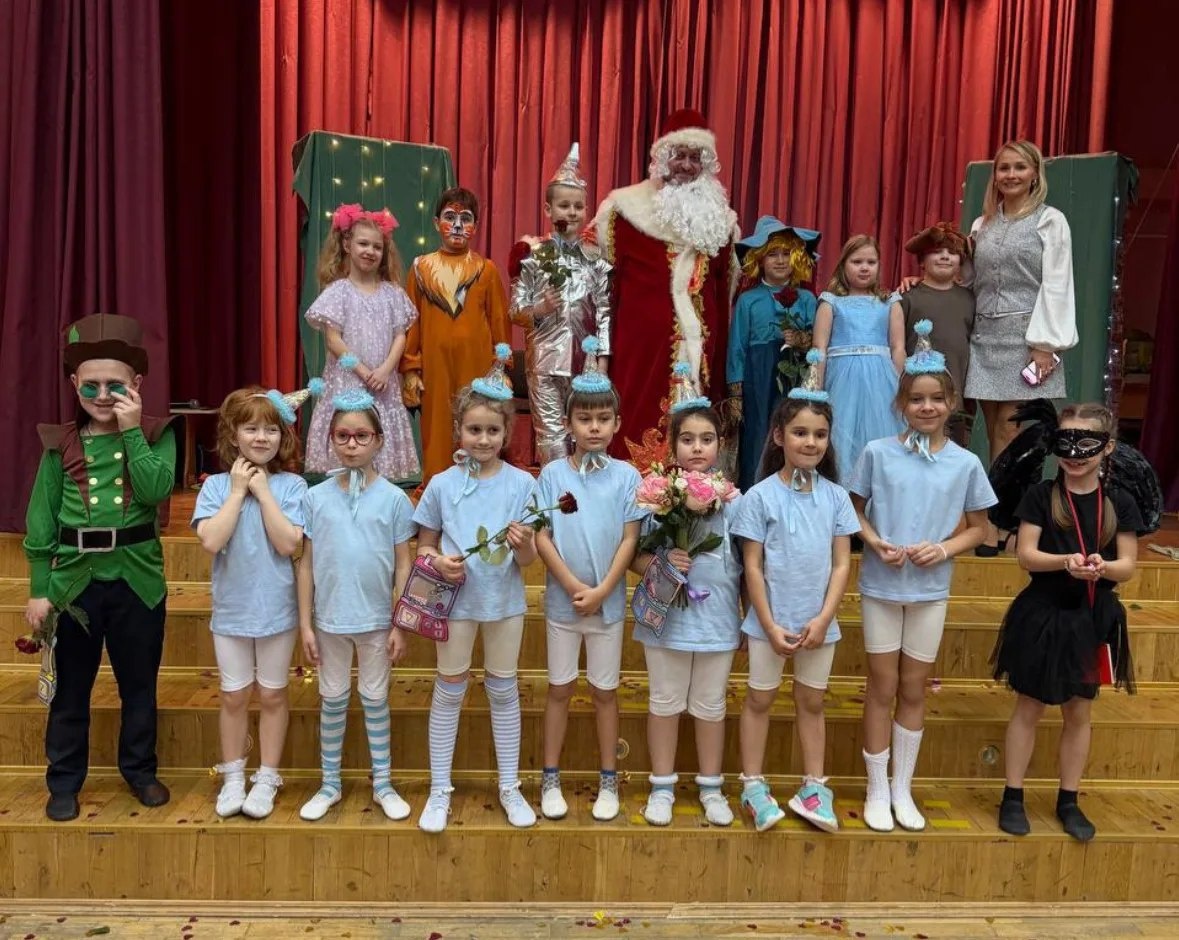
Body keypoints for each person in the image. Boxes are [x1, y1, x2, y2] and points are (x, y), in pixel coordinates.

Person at [24, 314, 176, 821]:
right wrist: (40, 589)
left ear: (137, 385)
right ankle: (64, 780)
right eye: (92, 385)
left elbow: (155, 491)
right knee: (70, 691)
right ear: (75, 384)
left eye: (116, 385)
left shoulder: (157, 434)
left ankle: (141, 771)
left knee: (139, 688)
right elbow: (41, 520)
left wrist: (132, 431)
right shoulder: (59, 444)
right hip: (73, 586)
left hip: (138, 582)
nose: (103, 395)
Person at [846, 321, 996, 832]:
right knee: (881, 685)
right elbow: (853, 511)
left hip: (930, 591)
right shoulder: (877, 453)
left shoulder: (965, 463)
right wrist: (874, 542)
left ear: (951, 403)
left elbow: (980, 528)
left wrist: (943, 548)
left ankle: (902, 788)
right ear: (901, 404)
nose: (926, 407)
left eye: (936, 399)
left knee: (913, 688)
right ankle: (876, 787)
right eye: (916, 399)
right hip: (882, 587)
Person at [992, 403, 1139, 841]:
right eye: (1065, 442)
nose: (1074, 453)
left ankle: (1068, 799)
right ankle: (1012, 796)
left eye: (1086, 442)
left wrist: (1104, 567)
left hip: (1092, 617)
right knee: (1029, 705)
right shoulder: (1042, 496)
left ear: (1107, 447)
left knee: (1079, 710)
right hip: (1043, 614)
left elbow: (1128, 565)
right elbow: (1026, 555)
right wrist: (1065, 562)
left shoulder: (1118, 502)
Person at [412, 346, 540, 833]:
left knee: (503, 688)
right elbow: (425, 547)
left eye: (492, 430)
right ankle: (439, 789)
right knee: (449, 689)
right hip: (454, 604)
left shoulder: (522, 485)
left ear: (507, 433)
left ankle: (509, 785)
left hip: (503, 604)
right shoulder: (442, 484)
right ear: (458, 431)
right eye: (474, 430)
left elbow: (527, 561)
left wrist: (524, 544)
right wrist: (437, 562)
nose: (483, 439)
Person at [733, 351, 859, 832]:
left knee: (812, 702)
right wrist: (766, 623)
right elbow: (752, 566)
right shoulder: (759, 496)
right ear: (779, 436)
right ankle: (752, 785)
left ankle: (814, 786)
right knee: (759, 700)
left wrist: (823, 618)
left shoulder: (837, 498)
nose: (810, 442)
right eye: (800, 432)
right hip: (770, 623)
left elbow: (842, 563)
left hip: (816, 624)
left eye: (819, 434)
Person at [536, 340, 644, 822]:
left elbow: (630, 539)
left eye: (603, 418)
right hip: (563, 606)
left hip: (608, 606)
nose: (594, 427)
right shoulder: (552, 474)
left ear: (617, 423)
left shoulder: (627, 477)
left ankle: (608, 779)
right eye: (584, 419)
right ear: (568, 423)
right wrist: (570, 585)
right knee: (559, 688)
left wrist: (601, 591)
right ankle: (550, 777)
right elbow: (541, 536)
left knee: (604, 692)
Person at [193, 384, 312, 819]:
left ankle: (267, 777)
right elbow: (211, 540)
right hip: (232, 612)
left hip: (277, 611)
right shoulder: (215, 486)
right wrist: (238, 491)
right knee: (234, 695)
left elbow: (288, 544)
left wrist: (263, 493)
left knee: (274, 694)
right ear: (233, 434)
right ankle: (233, 777)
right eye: (251, 429)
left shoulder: (293, 486)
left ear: (283, 437)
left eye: (270, 430)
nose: (261, 438)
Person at [630, 367, 742, 827]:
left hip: (717, 621)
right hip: (668, 621)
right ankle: (662, 786)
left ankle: (711, 786)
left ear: (720, 445)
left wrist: (748, 619)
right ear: (672, 446)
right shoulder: (657, 500)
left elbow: (749, 566)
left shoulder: (735, 502)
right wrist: (663, 561)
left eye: (707, 440)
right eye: (688, 440)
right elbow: (633, 558)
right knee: (665, 701)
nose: (697, 449)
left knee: (711, 704)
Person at [592, 109, 739, 458]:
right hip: (639, 350)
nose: (686, 165)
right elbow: (599, 287)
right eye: (679, 155)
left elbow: (725, 292)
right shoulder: (623, 211)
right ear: (662, 157)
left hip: (702, 352)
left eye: (695, 157)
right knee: (635, 426)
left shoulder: (720, 221)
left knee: (697, 435)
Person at [297, 390, 415, 822]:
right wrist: (306, 624)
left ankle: (382, 783)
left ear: (379, 440)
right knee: (332, 698)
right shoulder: (316, 497)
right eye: (342, 436)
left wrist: (401, 622)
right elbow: (306, 564)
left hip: (376, 620)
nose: (352, 444)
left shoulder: (395, 499)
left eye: (362, 436)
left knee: (375, 698)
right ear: (330, 439)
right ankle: (330, 783)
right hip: (330, 620)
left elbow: (404, 564)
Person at [965, 140, 1077, 553]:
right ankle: (998, 519)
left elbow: (1057, 282)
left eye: (1019, 167)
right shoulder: (982, 224)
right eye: (1003, 168)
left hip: (1026, 337)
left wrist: (1045, 344)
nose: (1010, 174)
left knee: (1010, 432)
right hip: (984, 337)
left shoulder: (1050, 220)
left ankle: (1003, 523)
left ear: (1034, 174)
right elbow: (968, 280)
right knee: (991, 429)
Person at [509, 143, 612, 465]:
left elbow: (605, 312)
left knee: (586, 432)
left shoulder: (595, 260)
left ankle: (585, 489)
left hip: (585, 362)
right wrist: (539, 309)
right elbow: (514, 310)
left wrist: (602, 360)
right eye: (564, 205)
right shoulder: (532, 256)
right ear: (548, 209)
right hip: (544, 362)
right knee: (552, 435)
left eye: (578, 206)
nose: (571, 212)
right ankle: (556, 491)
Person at [401, 187, 511, 485]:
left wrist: (501, 369)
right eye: (450, 217)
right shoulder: (420, 269)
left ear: (476, 225)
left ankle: (479, 484)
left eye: (466, 218)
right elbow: (411, 322)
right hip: (435, 367)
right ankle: (436, 488)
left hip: (478, 367)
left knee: (477, 422)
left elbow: (499, 322)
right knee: (437, 426)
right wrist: (411, 369)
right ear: (436, 223)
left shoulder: (486, 270)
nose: (458, 226)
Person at [304, 204, 419, 480]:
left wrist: (385, 370)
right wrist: (364, 372)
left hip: (382, 382)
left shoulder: (393, 294)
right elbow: (333, 340)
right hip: (348, 380)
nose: (370, 251)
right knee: (351, 433)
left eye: (377, 247)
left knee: (376, 434)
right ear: (347, 245)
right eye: (363, 244)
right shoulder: (338, 292)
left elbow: (400, 335)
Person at [726, 216, 821, 492]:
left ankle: (796, 488)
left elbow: (819, 342)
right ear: (760, 259)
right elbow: (737, 348)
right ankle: (754, 491)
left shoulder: (807, 299)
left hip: (795, 375)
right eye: (772, 254)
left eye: (786, 253)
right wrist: (736, 394)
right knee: (758, 434)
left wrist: (801, 340)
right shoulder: (748, 300)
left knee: (795, 428)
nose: (780, 260)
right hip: (758, 376)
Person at [812, 235, 906, 483]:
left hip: (881, 381)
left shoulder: (890, 302)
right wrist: (816, 390)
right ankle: (841, 492)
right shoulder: (831, 302)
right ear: (843, 264)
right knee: (841, 435)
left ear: (879, 265)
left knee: (880, 435)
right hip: (842, 380)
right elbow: (819, 347)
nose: (864, 268)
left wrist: (902, 387)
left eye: (871, 262)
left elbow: (898, 347)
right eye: (857, 262)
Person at [898, 223, 976, 447]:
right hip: (916, 400)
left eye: (952, 252)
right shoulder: (907, 297)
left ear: (961, 262)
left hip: (957, 401)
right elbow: (896, 345)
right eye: (937, 252)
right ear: (922, 261)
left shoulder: (970, 299)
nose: (945, 257)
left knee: (953, 455)